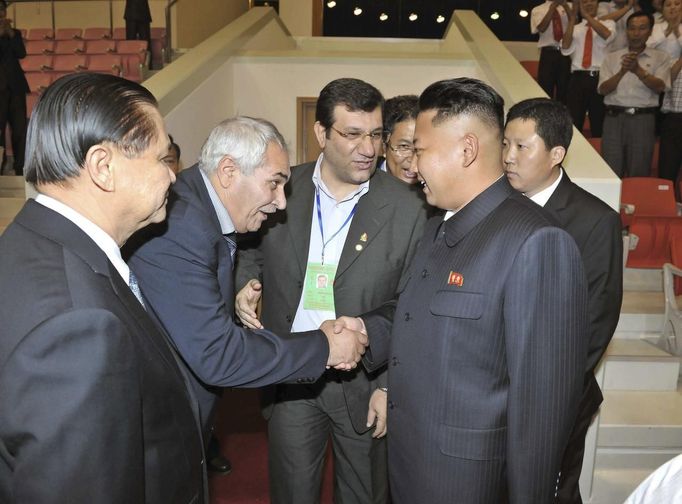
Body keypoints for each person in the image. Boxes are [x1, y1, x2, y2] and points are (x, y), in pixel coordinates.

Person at [339, 77, 589, 503]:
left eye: (421, 150)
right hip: (414, 462)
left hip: (470, 482)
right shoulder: (440, 225)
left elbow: (542, 412)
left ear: (467, 150)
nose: (413, 166)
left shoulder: (536, 241)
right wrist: (365, 329)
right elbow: (419, 311)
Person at [0, 73, 204, 503]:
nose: (173, 177)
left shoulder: (28, 241)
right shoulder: (78, 325)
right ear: (103, 167)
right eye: (161, 159)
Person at [235, 78, 427, 504]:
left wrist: (389, 385)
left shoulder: (409, 208)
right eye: (352, 134)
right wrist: (243, 288)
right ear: (321, 134)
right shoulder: (283, 189)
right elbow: (247, 248)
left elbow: (412, 306)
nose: (368, 148)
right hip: (292, 372)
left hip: (365, 381)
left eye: (376, 135)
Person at [125, 116, 367, 454]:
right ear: (228, 172)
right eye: (274, 183)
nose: (281, 201)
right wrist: (324, 347)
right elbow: (217, 354)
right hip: (157, 429)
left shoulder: (199, 210)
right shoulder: (181, 227)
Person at [503, 97, 623, 504]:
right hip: (491, 393)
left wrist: (542, 388)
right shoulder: (493, 206)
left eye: (522, 147)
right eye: (505, 144)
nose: (508, 157)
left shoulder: (594, 220)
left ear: (556, 154)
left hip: (555, 398)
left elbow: (596, 320)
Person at [598, 11, 671, 177]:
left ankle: (634, 203)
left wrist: (638, 70)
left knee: (639, 172)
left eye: (642, 28)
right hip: (613, 119)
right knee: (610, 172)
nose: (636, 33)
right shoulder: (611, 57)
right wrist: (622, 71)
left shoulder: (661, 57)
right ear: (626, 31)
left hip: (643, 120)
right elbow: (602, 89)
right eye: (632, 28)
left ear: (651, 31)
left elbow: (661, 87)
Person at [562, 0, 617, 137]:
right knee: (574, 123)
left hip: (599, 78)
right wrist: (572, 19)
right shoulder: (575, 27)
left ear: (598, 4)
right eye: (584, 2)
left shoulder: (608, 23)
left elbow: (606, 35)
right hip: (577, 79)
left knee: (598, 122)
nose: (588, 4)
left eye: (592, 0)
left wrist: (587, 16)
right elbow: (565, 47)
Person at [647, 0, 682, 187]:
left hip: (677, 82)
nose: (673, 8)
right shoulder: (657, 27)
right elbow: (648, 48)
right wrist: (669, 30)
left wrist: (678, 30)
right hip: (661, 86)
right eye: (669, 5)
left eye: (678, 4)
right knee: (668, 161)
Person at [0, 0, 29, 176]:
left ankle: (20, 168)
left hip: (16, 88)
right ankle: (2, 165)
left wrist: (10, 34)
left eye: (2, 9)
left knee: (19, 130)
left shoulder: (14, 33)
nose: (1, 13)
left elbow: (21, 53)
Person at [530, 0, 573, 103]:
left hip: (566, 52)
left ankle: (562, 116)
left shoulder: (570, 6)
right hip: (548, 53)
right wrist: (552, 7)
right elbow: (541, 28)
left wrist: (566, 7)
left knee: (565, 90)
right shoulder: (538, 9)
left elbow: (576, 24)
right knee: (545, 88)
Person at [381, 94, 420, 185]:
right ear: (383, 146)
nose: (412, 159)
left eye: (419, 149)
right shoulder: (363, 183)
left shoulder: (437, 189)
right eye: (404, 146)